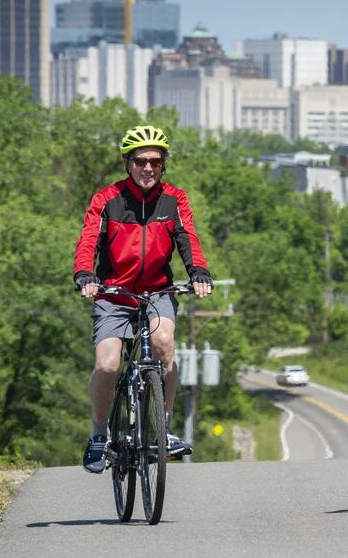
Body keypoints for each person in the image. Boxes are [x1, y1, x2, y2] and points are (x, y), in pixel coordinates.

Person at [73, 125, 213, 474]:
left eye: (155, 161)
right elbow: (88, 240)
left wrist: (198, 271)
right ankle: (99, 435)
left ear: (163, 164)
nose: (148, 168)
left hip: (157, 291)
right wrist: (84, 274)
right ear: (127, 164)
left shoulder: (174, 199)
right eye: (140, 161)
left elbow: (187, 237)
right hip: (114, 293)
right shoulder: (107, 199)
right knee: (107, 364)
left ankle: (163, 429)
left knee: (165, 343)